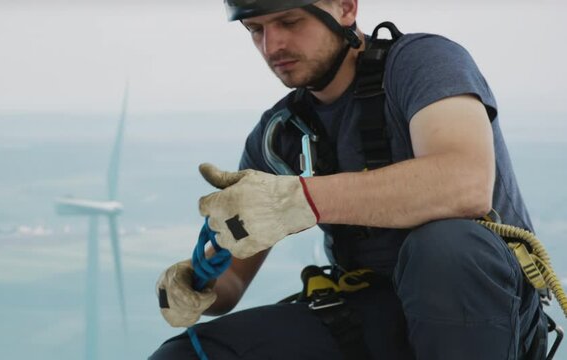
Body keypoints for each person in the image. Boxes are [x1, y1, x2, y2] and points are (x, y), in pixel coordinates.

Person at [151, 0, 548, 359]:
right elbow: (234, 279)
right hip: (370, 313)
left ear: (345, 8)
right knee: (189, 356)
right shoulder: (280, 135)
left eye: (289, 21)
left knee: (445, 246)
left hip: (483, 314)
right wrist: (201, 284)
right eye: (256, 30)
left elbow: (464, 184)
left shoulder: (423, 63)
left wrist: (299, 200)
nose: (272, 46)